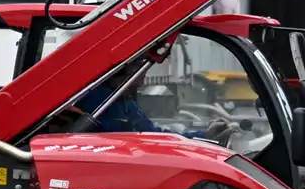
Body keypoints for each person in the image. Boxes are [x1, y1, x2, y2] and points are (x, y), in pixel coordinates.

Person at [75, 61, 236, 142]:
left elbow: (154, 136)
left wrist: (204, 136)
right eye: (141, 72)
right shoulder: (94, 100)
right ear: (130, 69)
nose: (143, 80)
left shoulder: (124, 102)